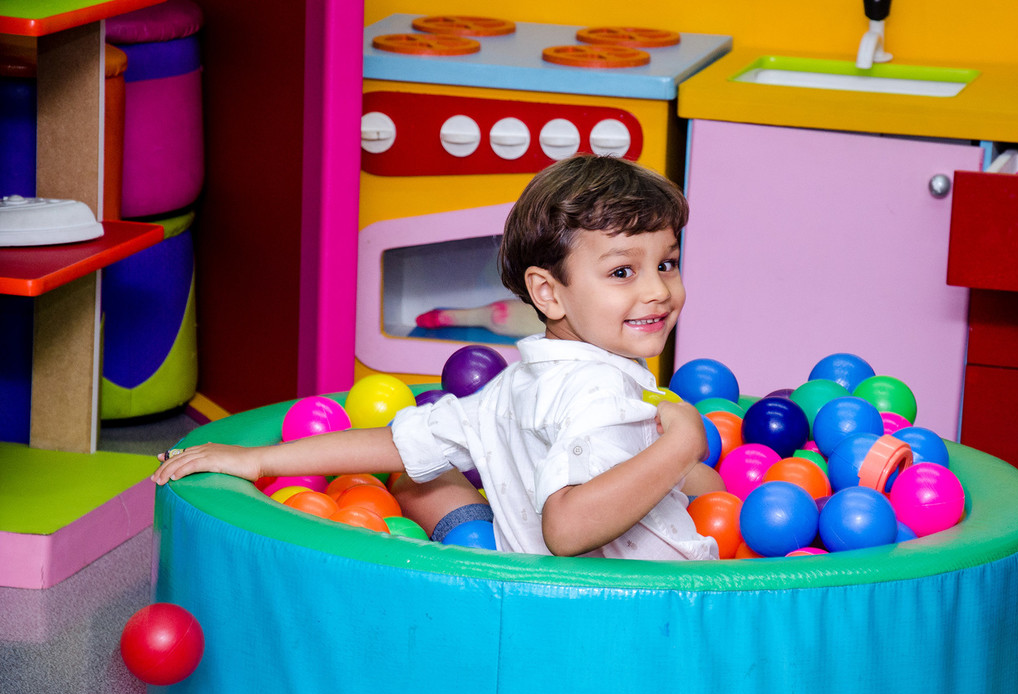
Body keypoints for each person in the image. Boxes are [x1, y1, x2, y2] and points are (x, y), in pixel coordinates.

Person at [153, 154, 721, 560]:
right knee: (691, 464)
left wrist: (260, 461)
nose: (657, 291)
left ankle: (467, 546)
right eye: (623, 272)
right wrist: (682, 440)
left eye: (666, 263)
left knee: (416, 476)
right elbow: (568, 530)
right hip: (640, 606)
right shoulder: (599, 394)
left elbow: (396, 441)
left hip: (519, 572)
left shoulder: (522, 378)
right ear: (549, 292)